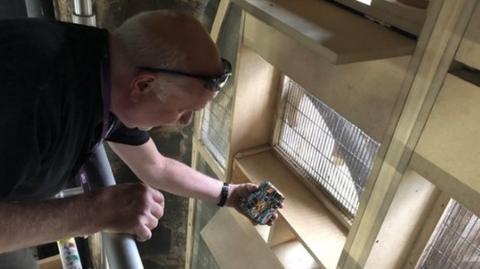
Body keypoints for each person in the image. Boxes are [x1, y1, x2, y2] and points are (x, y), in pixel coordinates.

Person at [0, 10, 279, 267]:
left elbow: (157, 167)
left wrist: (228, 194)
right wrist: (96, 212)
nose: (184, 123)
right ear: (143, 85)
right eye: (184, 110)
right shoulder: (32, 95)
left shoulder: (104, 71)